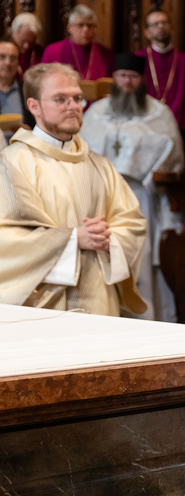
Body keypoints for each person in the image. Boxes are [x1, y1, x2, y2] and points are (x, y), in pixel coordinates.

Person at [0, 63, 146, 317]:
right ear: (34, 106)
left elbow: (131, 223)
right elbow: (6, 238)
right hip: (39, 311)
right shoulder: (13, 163)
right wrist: (73, 239)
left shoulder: (99, 166)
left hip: (100, 304)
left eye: (77, 98)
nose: (73, 106)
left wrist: (108, 239)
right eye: (61, 99)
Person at [80, 53, 184, 322]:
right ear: (114, 78)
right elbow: (80, 150)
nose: (127, 82)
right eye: (122, 75)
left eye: (133, 76)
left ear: (142, 80)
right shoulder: (95, 113)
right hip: (99, 196)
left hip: (139, 196)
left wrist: (147, 177)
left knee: (139, 257)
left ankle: (142, 320)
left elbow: (172, 156)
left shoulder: (159, 114)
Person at [136, 10, 185, 128]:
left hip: (179, 126)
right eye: (155, 24)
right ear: (147, 32)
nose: (160, 27)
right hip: (145, 126)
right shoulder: (138, 59)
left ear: (172, 28)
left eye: (164, 22)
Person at [41, 5, 114, 81]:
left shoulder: (106, 55)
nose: (85, 30)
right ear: (69, 28)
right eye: (80, 25)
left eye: (89, 25)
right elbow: (43, 81)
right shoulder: (52, 51)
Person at [0, 40, 33, 144]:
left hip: (21, 148)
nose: (8, 63)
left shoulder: (27, 90)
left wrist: (30, 131)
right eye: (2, 57)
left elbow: (39, 125)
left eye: (13, 58)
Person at [11, 12, 43, 81]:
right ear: (14, 33)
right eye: (23, 41)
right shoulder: (3, 50)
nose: (26, 46)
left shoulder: (41, 52)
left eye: (31, 42)